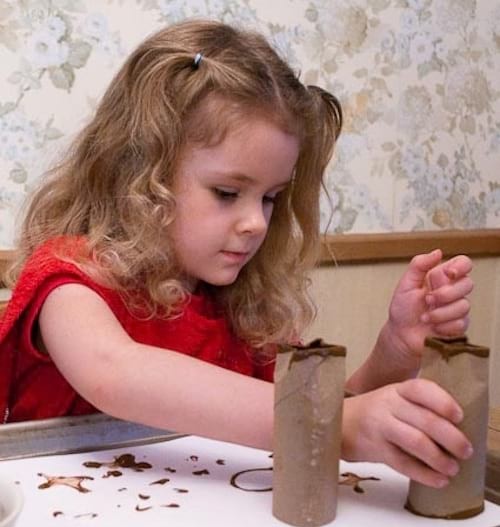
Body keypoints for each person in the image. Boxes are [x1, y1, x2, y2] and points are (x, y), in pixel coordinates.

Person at [0, 19, 473, 489]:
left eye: (270, 198)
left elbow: (323, 412)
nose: (257, 223)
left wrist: (393, 351)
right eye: (227, 192)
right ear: (139, 177)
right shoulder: (69, 278)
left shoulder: (240, 308)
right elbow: (113, 371)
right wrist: (337, 421)